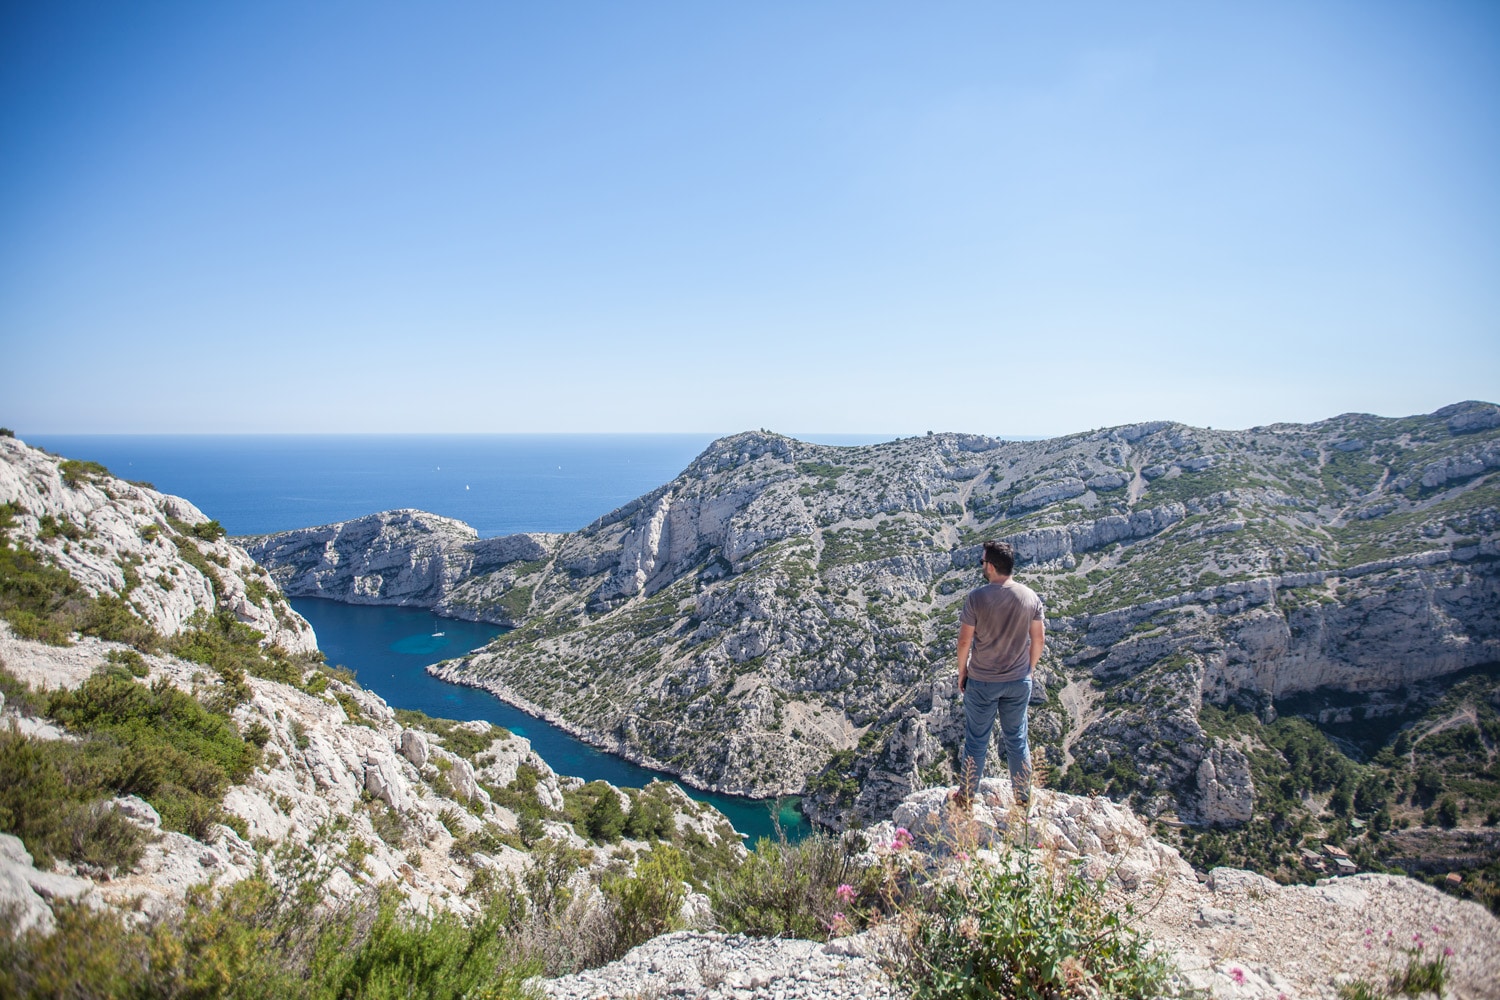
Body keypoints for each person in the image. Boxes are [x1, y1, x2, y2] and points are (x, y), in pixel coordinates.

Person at [953, 540, 1045, 810]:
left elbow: (963, 643)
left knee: (977, 740)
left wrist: (963, 672)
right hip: (1018, 681)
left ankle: (966, 798)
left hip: (982, 681)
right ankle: (1023, 799)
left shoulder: (977, 598)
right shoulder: (1031, 597)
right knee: (1017, 739)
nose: (982, 566)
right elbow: (1038, 640)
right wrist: (1029, 669)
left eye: (983, 562)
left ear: (991, 566)